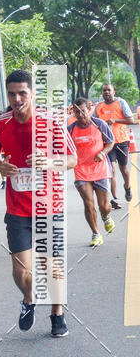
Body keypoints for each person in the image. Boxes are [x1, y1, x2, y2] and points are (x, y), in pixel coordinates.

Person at [0, 70, 77, 338]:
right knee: (21, 270)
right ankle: (29, 298)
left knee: (52, 265)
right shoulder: (0, 124)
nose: (17, 99)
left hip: (50, 206)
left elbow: (72, 159)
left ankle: (57, 314)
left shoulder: (50, 121)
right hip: (17, 209)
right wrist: (0, 166)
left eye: (22, 93)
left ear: (32, 93)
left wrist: (49, 162)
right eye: (12, 94)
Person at [68, 97, 115, 246]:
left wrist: (103, 153)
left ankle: (106, 217)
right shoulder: (70, 129)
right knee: (88, 204)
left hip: (100, 169)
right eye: (77, 112)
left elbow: (111, 141)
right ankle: (96, 234)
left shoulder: (99, 124)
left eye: (83, 111)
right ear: (73, 113)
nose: (81, 115)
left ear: (89, 109)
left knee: (104, 206)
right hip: (81, 170)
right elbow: (64, 148)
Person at [94, 83, 134, 208]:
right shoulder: (98, 106)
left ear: (114, 92)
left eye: (108, 90)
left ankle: (127, 187)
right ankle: (115, 199)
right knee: (112, 169)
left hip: (122, 141)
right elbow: (94, 124)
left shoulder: (121, 103)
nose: (106, 92)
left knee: (123, 169)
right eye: (104, 90)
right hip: (107, 143)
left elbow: (131, 120)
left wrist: (115, 120)